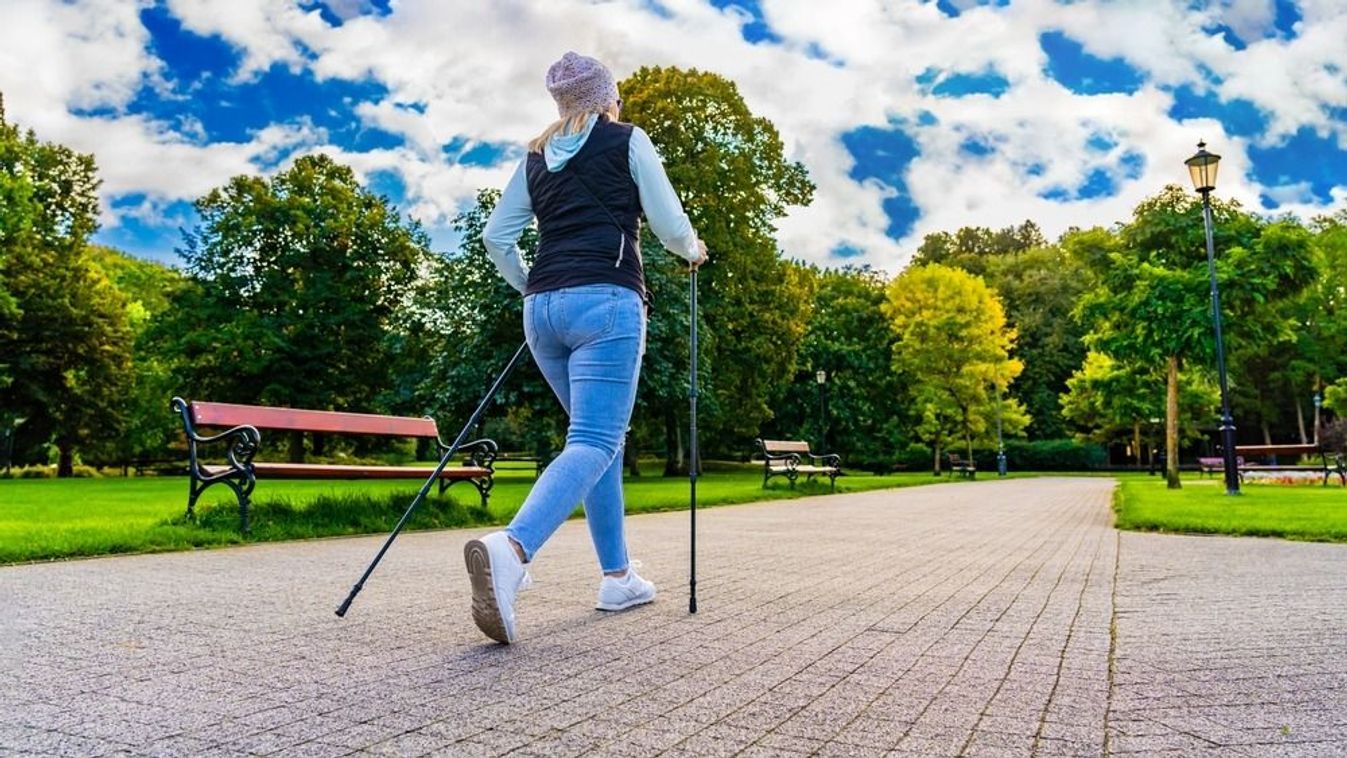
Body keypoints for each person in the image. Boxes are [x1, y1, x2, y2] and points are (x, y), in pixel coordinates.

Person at [467, 52, 707, 644]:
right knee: (596, 440)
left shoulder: (534, 158)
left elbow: (496, 237)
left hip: (541, 312)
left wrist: (533, 286)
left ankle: (618, 576)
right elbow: (670, 224)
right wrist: (693, 249)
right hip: (606, 302)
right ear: (606, 100)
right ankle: (512, 550)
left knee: (594, 440)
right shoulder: (627, 139)